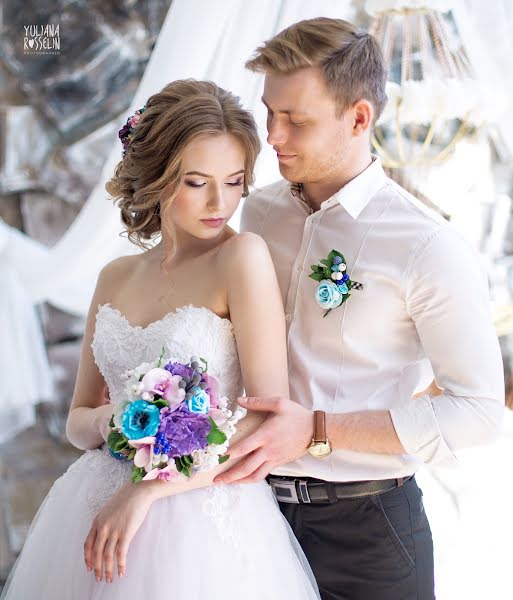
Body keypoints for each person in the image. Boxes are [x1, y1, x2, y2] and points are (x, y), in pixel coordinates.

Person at [216, 17, 505, 600]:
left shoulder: (427, 245)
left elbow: (478, 411)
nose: (272, 135)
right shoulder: (257, 213)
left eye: (296, 120)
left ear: (358, 118)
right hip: (248, 513)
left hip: (369, 532)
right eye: (269, 112)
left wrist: (317, 431)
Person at [0, 80, 321, 600]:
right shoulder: (115, 276)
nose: (222, 202)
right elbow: (78, 421)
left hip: (200, 522)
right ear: (156, 177)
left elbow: (264, 419)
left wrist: (146, 492)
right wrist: (118, 420)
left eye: (236, 181)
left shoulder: (242, 257)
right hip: (90, 508)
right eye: (197, 182)